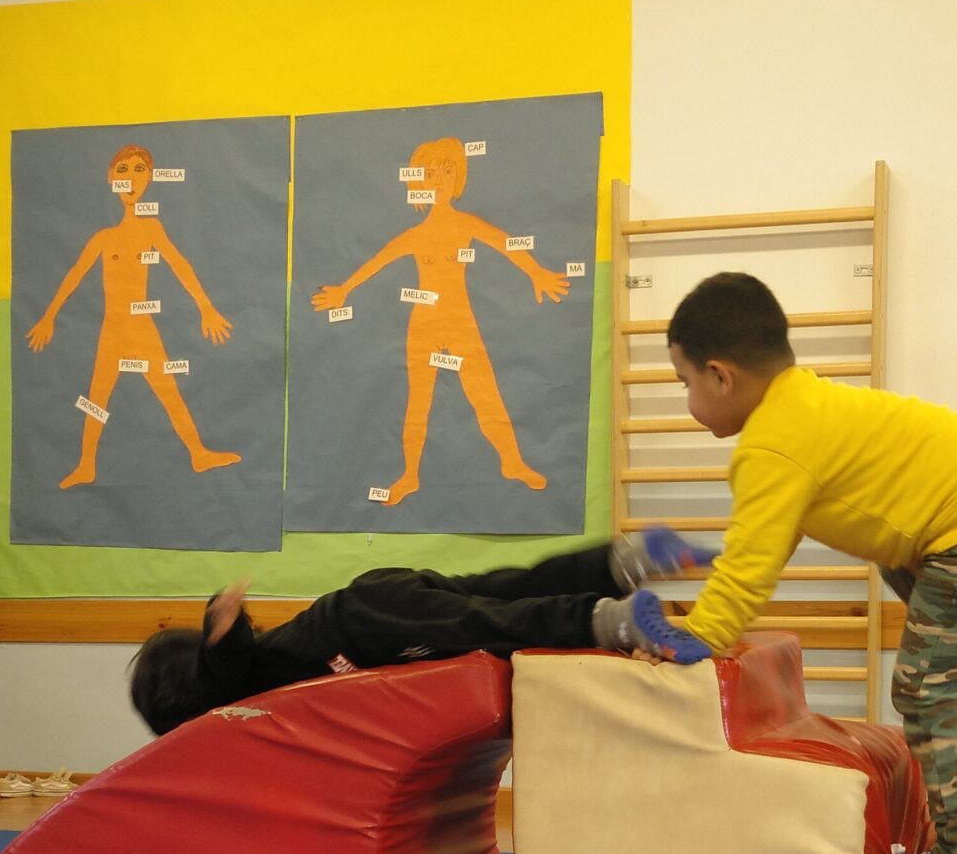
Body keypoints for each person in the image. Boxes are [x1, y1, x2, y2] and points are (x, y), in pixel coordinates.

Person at [649, 272, 957, 854]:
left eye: (684, 382)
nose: (687, 398)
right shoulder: (806, 405)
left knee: (926, 693)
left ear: (720, 375)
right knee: (892, 546)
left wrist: (699, 634)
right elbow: (768, 545)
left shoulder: (771, 446)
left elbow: (748, 570)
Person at [128, 530, 710, 735]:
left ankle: (610, 620)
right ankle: (621, 561)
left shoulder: (230, 697)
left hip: (364, 628)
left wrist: (221, 623)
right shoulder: (247, 684)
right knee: (505, 589)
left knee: (490, 624)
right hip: (373, 599)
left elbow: (224, 666)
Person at [310, 135, 571, 506]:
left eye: (447, 171)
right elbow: (378, 261)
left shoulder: (467, 224)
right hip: (424, 325)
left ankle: (512, 462)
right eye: (431, 173)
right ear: (420, 182)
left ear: (458, 177)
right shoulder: (414, 236)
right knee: (418, 403)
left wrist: (537, 272)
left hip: (461, 321)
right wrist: (344, 290)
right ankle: (410, 476)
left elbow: (505, 242)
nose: (440, 180)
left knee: (485, 395)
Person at [27, 142, 241, 489]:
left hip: (143, 330)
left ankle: (198, 453)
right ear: (111, 177)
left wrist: (206, 307)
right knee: (96, 398)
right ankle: (86, 465)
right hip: (112, 331)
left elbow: (180, 265)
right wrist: (48, 316)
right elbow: (74, 277)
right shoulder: (103, 238)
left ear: (150, 178)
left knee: (169, 391)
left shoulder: (151, 228)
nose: (131, 178)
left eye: (139, 170)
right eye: (123, 170)